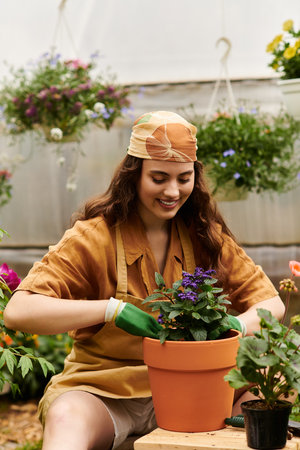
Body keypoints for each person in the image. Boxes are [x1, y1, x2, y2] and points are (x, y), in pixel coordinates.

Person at [4, 111, 284, 450]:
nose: (172, 190)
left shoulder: (204, 235)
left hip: (191, 391)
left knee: (273, 383)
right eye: (159, 177)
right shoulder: (93, 237)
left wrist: (230, 326)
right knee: (66, 418)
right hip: (105, 392)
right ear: (134, 175)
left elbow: (272, 303)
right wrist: (110, 310)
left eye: (183, 178)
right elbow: (19, 311)